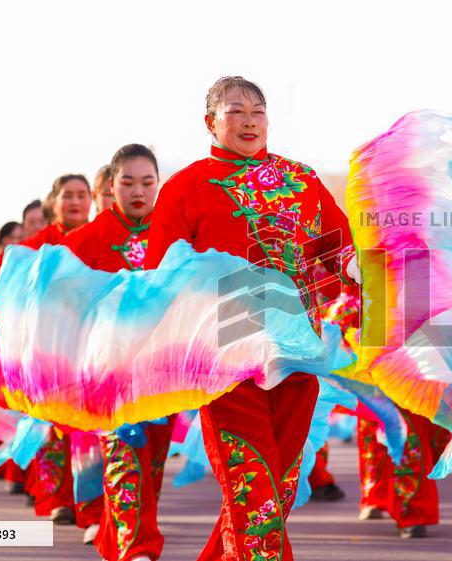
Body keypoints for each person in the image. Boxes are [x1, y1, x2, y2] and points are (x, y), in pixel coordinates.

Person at [144, 76, 357, 561]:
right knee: (253, 488)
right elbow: (161, 277)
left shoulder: (301, 180)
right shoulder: (186, 188)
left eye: (257, 112)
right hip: (228, 360)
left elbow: (337, 245)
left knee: (276, 488)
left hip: (296, 353)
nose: (248, 121)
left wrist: (358, 267)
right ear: (211, 122)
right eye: (235, 111)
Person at [64, 144, 171, 560]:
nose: (138, 191)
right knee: (124, 454)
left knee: (152, 464)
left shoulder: (176, 238)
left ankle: (118, 536)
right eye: (127, 182)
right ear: (111, 186)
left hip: (163, 370)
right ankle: (136, 548)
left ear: (158, 184)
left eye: (147, 182)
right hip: (107, 371)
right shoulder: (83, 242)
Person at [20, 174, 93, 525]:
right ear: (54, 201)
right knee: (53, 428)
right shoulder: (38, 244)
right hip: (49, 349)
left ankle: (92, 503)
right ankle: (60, 499)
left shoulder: (101, 236)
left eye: (81, 194)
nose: (75, 201)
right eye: (68, 195)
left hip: (92, 346)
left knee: (90, 428)